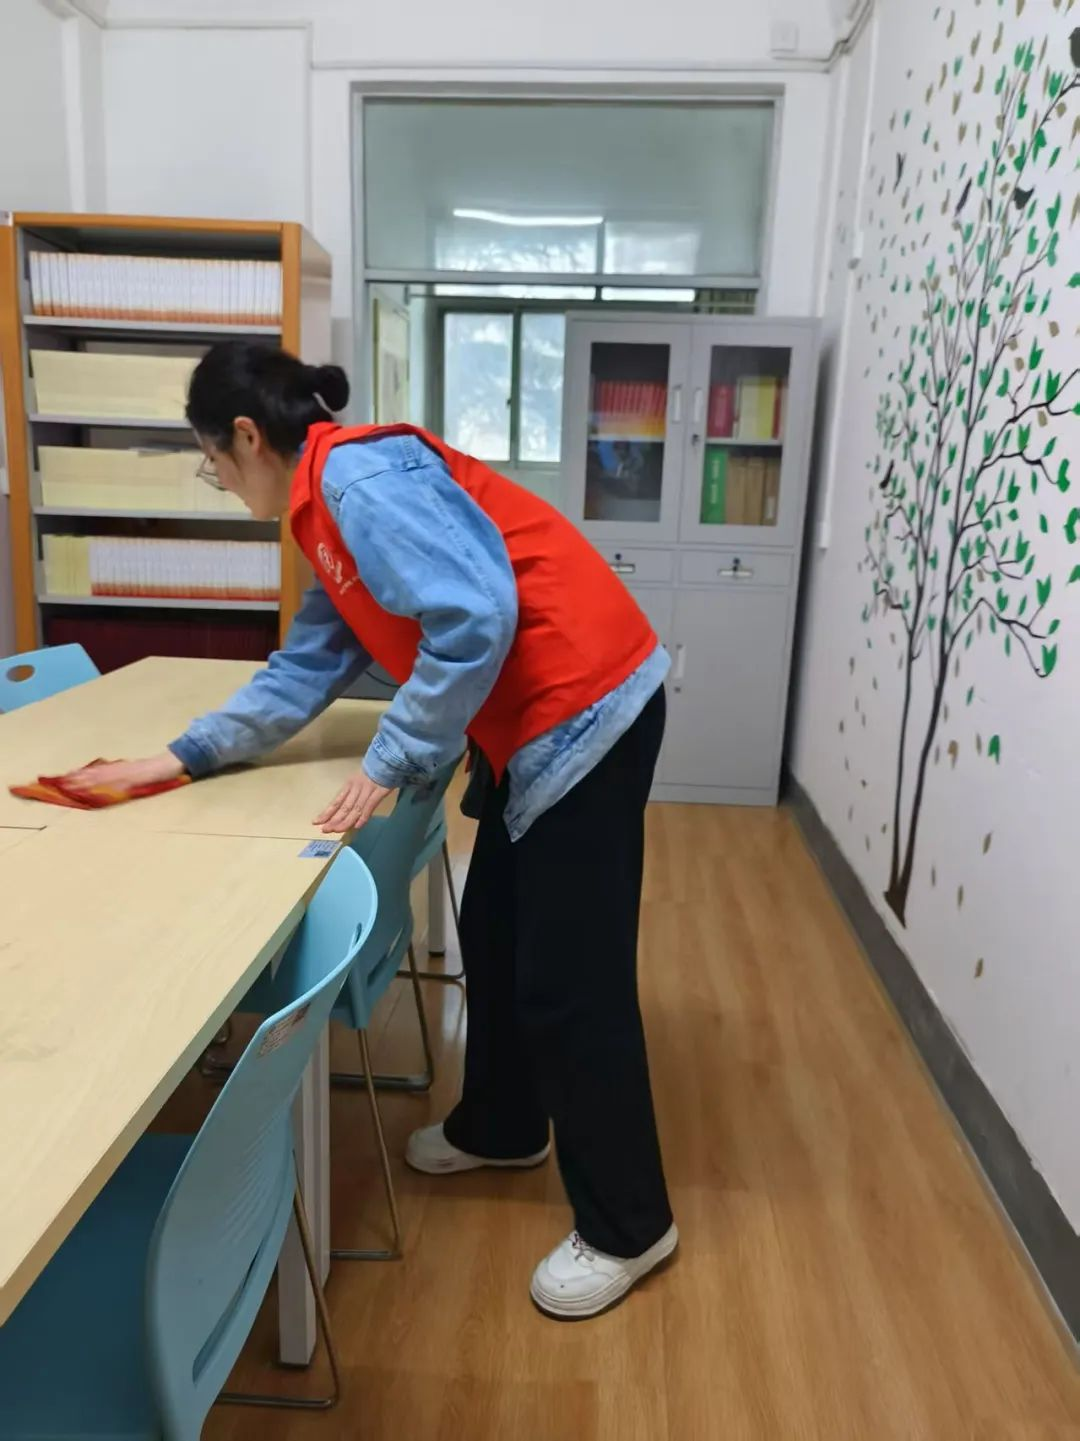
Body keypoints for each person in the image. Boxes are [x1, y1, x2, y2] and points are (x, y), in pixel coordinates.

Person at [69, 342, 676, 1318]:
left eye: (212, 465)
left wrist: (389, 759)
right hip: (536, 717)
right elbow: (305, 670)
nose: (220, 482)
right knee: (494, 932)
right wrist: (180, 756)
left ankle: (630, 1224)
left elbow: (476, 614)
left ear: (246, 436)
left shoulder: (359, 483)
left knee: (571, 980)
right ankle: (504, 1123)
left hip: (588, 703)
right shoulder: (325, 510)